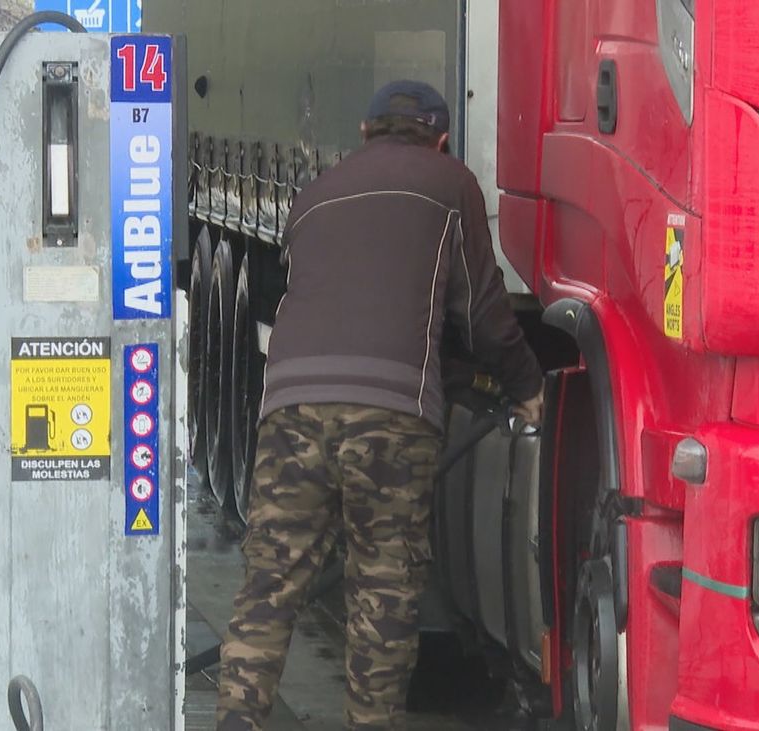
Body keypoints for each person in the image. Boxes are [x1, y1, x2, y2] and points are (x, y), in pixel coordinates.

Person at [215, 80, 544, 731]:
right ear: (442, 138)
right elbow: (481, 316)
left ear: (365, 134)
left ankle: (236, 717)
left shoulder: (313, 197)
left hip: (291, 407)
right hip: (390, 420)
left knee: (270, 581)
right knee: (382, 589)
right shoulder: (451, 184)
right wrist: (525, 385)